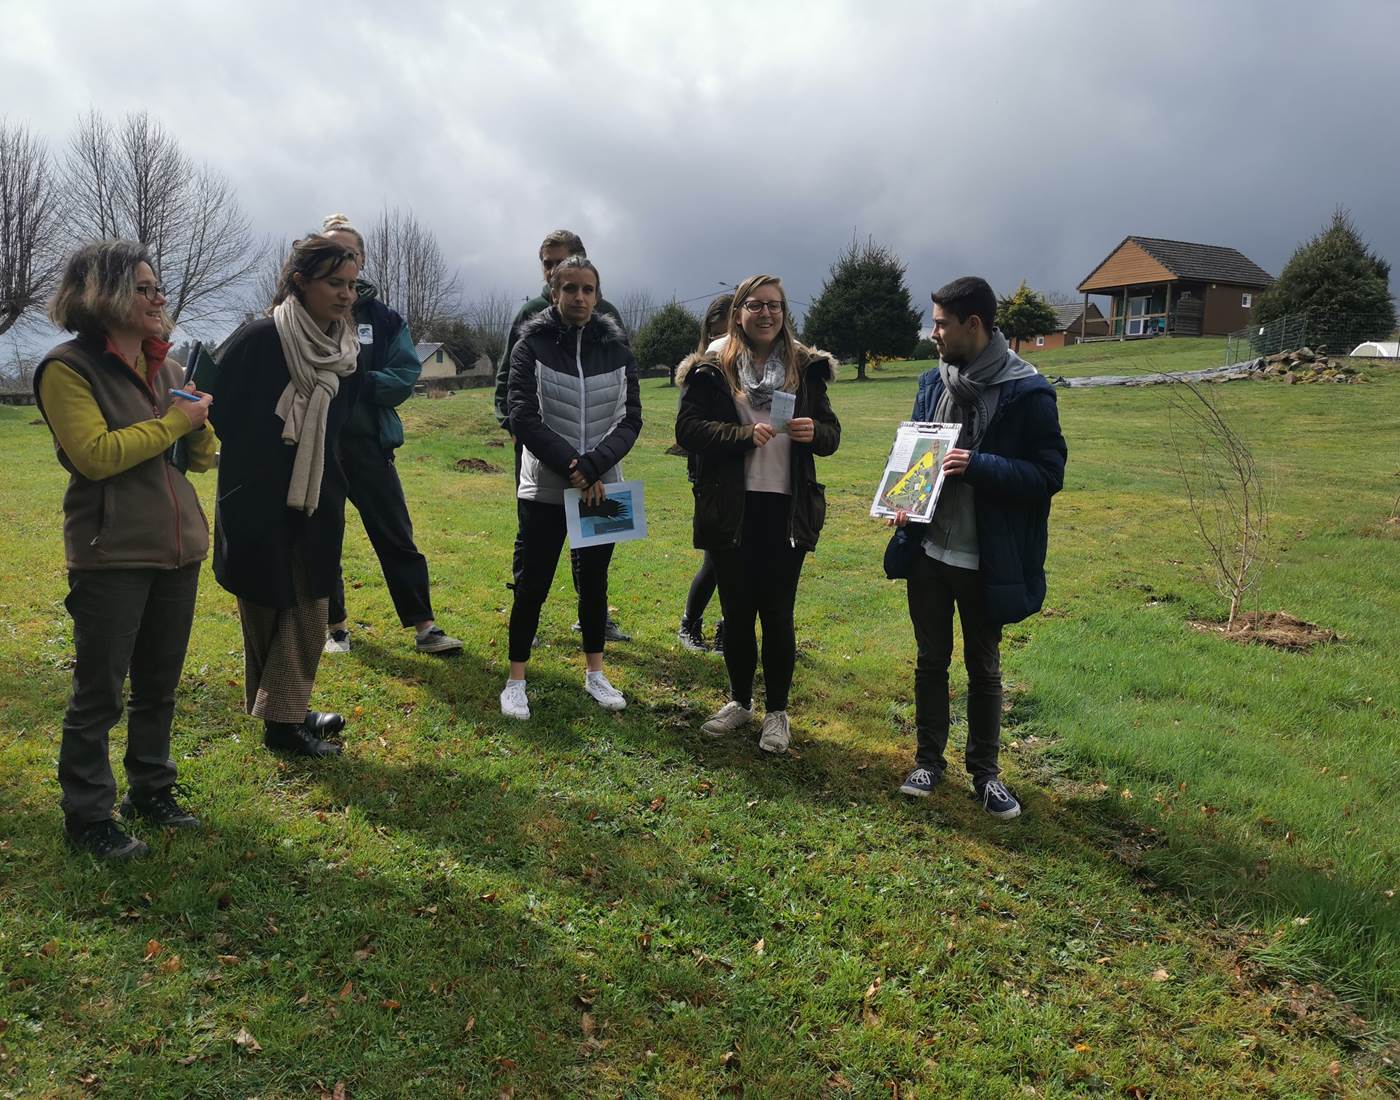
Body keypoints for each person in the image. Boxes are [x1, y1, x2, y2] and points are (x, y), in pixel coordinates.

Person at [34, 241, 217, 859]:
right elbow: (96, 456)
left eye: (157, 287)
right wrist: (173, 424)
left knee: (159, 685)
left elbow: (198, 459)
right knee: (99, 694)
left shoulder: (165, 366)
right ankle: (88, 817)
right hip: (110, 553)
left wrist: (200, 429)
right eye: (144, 289)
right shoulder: (66, 368)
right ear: (101, 293)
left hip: (178, 548)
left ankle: (151, 789)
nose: (159, 298)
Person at [885, 276, 1067, 820]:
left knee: (984, 669)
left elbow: (1048, 473)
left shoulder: (1027, 392)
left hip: (988, 559)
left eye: (941, 323)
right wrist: (904, 501)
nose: (932, 332)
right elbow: (916, 456)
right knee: (930, 661)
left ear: (974, 326)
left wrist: (979, 465)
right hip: (929, 555)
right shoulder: (931, 382)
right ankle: (928, 761)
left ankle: (986, 774)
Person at [209, 236, 363, 758]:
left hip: (318, 498)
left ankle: (285, 719)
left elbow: (343, 428)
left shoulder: (345, 352)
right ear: (300, 282)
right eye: (334, 284)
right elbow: (213, 408)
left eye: (351, 285)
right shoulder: (257, 339)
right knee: (265, 608)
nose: (345, 296)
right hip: (256, 497)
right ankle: (285, 714)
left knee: (310, 607)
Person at [675, 274, 840, 754]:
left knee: (778, 613)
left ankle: (778, 714)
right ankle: (740, 702)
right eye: (756, 305)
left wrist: (816, 433)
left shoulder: (803, 367)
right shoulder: (713, 367)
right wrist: (742, 436)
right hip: (732, 506)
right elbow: (688, 430)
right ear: (739, 312)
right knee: (737, 612)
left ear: (784, 313)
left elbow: (831, 433)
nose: (766, 314)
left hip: (787, 508)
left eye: (775, 305)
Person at [500, 256, 642, 720]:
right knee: (533, 583)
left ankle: (595, 672)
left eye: (587, 289)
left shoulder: (618, 351)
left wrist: (595, 467)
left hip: (603, 485)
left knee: (595, 583)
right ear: (554, 292)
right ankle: (516, 678)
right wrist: (574, 467)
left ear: (597, 296)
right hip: (543, 485)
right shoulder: (531, 344)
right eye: (570, 289)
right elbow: (523, 414)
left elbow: (630, 419)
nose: (578, 297)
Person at [317, 214, 462, 657]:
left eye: (349, 254)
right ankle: (335, 627)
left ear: (360, 261)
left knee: (396, 534)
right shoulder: (303, 314)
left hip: (368, 443)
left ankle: (425, 627)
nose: (342, 262)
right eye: (330, 254)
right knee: (322, 535)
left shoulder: (384, 319)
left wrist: (356, 378)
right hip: (316, 445)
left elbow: (404, 375)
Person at [673, 292, 732, 653]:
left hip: (744, 478)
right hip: (709, 477)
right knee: (716, 559)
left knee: (739, 561)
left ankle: (728, 628)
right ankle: (689, 623)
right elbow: (689, 431)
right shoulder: (700, 372)